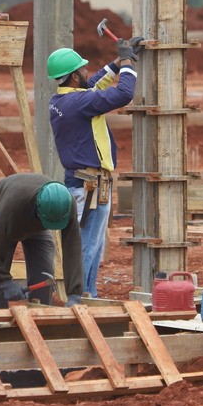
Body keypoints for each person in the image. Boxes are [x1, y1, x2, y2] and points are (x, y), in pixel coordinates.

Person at [46, 37, 143, 298]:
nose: (87, 71)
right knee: (88, 246)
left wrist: (116, 62)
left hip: (85, 183)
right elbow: (124, 93)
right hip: (90, 186)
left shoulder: (62, 100)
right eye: (82, 69)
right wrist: (126, 63)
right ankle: (79, 299)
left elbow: (92, 85)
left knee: (92, 245)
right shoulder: (79, 104)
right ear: (74, 77)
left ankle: (87, 294)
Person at [0, 172, 84, 309]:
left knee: (44, 275)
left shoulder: (66, 206)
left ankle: (40, 319)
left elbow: (72, 249)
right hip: (9, 215)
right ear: (38, 209)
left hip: (38, 219)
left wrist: (74, 294)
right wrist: (5, 281)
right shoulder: (9, 208)